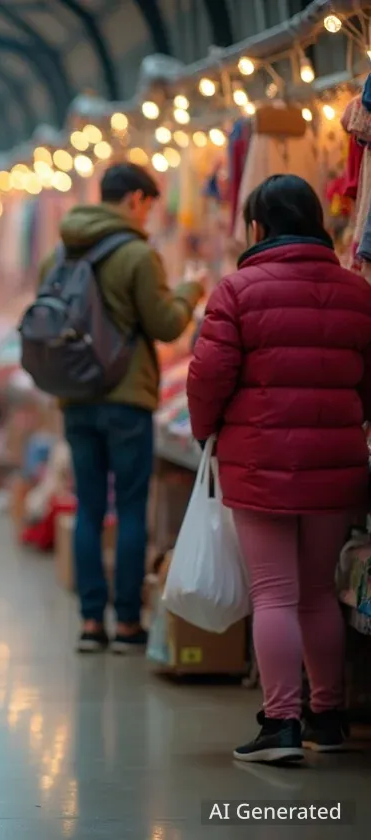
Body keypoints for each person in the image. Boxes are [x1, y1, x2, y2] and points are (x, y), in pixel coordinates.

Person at [188, 174, 371, 763]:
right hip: (337, 463)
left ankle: (281, 725)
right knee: (320, 590)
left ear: (258, 226)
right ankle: (329, 715)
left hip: (260, 462)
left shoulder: (236, 290)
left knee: (273, 593)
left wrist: (204, 432)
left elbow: (207, 379)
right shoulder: (356, 291)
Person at [46, 162, 203, 655]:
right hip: (127, 397)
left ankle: (91, 621)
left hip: (76, 397)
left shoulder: (61, 250)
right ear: (136, 199)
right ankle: (128, 623)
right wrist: (190, 291)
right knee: (131, 509)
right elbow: (165, 325)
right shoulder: (138, 254)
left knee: (90, 507)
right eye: (150, 206)